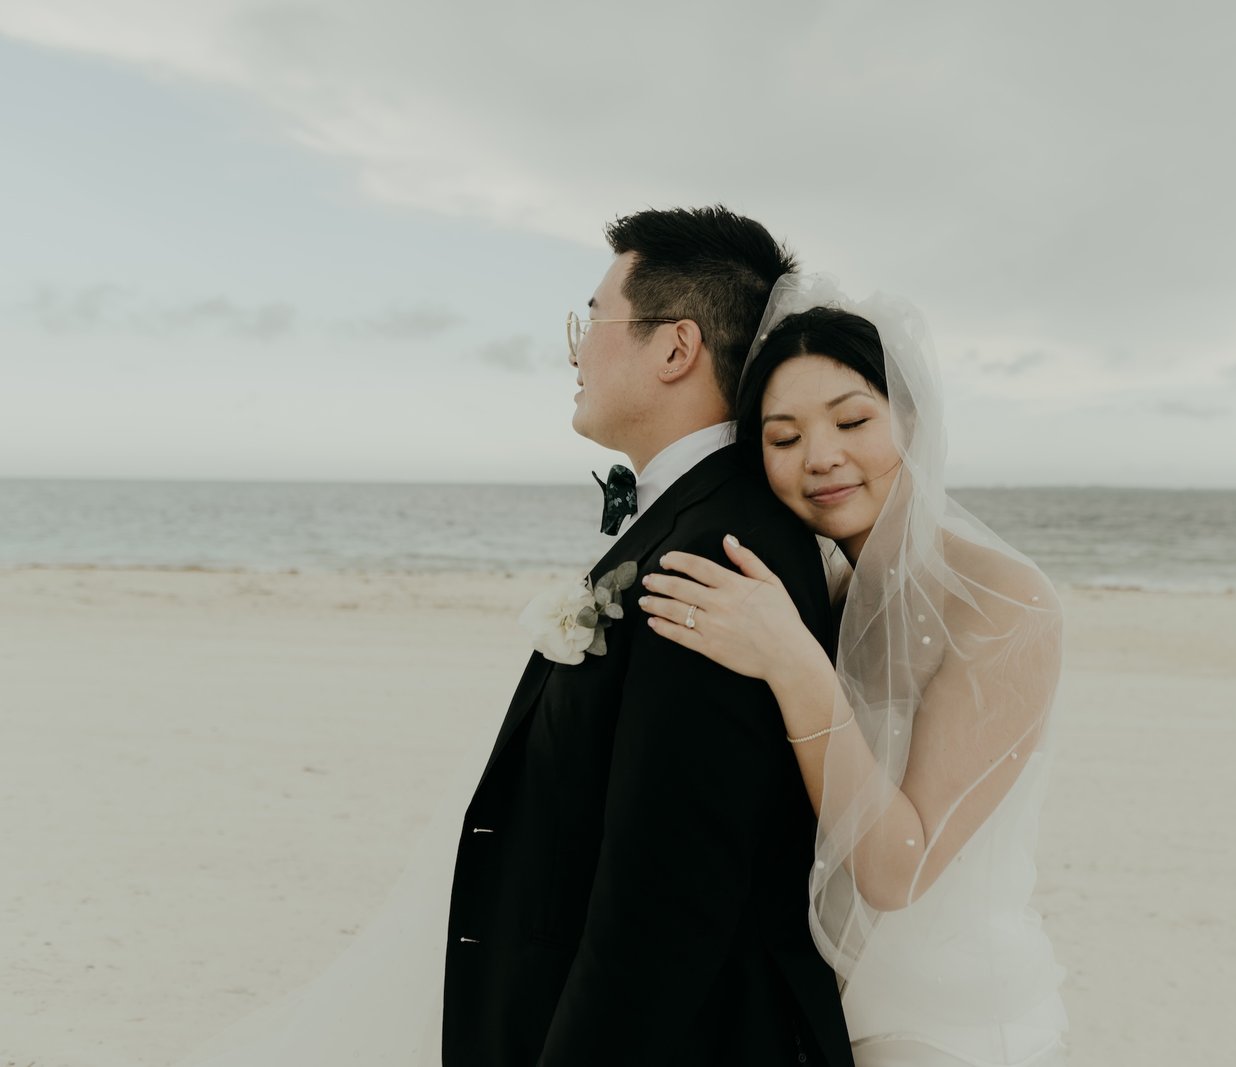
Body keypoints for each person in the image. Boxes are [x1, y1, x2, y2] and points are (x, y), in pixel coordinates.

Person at [171, 209, 854, 1066]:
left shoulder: (713, 556)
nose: (575, 351)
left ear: (675, 348)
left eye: (592, 319)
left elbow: (666, 897)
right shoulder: (695, 517)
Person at [634, 275, 1072, 1066]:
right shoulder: (818, 592)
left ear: (912, 422)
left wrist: (793, 662)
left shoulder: (1006, 603)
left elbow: (895, 869)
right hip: (806, 1009)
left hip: (937, 1021)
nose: (821, 457)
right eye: (783, 437)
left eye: (852, 420)